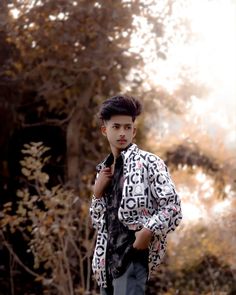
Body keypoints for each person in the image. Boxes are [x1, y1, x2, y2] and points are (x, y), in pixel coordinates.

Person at [90, 95, 182, 295]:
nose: (122, 133)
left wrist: (148, 230)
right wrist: (97, 194)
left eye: (127, 127)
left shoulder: (150, 163)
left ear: (134, 130)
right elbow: (98, 223)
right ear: (104, 130)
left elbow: (173, 207)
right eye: (116, 127)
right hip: (105, 260)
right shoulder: (104, 170)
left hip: (133, 255)